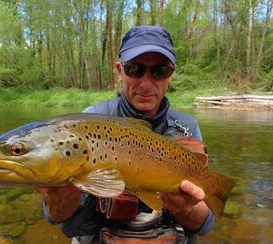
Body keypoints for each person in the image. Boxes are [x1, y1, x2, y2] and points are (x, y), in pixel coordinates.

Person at [37, 25, 214, 243]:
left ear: (170, 75)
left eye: (159, 71)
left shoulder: (186, 127)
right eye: (135, 70)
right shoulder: (89, 121)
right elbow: (64, 223)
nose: (146, 84)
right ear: (120, 71)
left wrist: (185, 208)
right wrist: (63, 196)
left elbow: (204, 225)